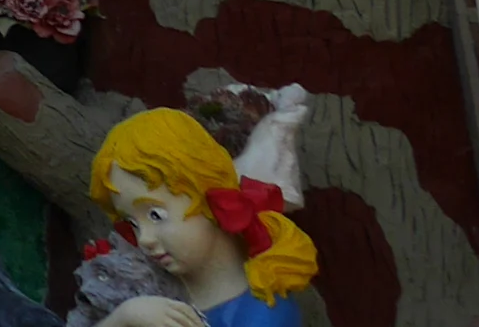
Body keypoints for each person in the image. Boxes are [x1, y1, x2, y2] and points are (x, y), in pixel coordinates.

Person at [88, 109, 319, 327]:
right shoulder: (149, 288)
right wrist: (122, 318)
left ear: (206, 193)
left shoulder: (261, 312)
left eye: (155, 215)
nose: (144, 239)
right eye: (133, 223)